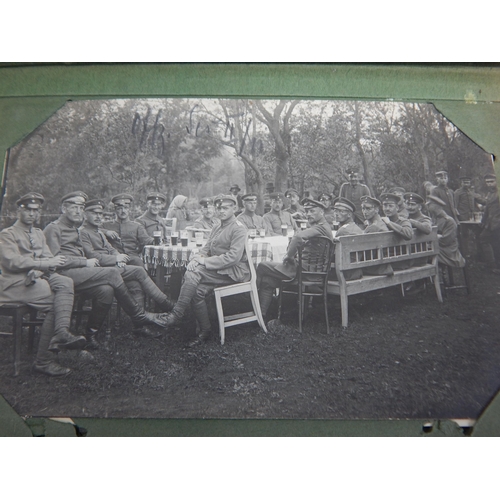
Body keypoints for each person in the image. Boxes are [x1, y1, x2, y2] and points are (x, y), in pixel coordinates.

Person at [44, 191, 166, 348]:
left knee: (106, 290)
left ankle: (90, 335)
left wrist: (105, 251)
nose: (78, 211)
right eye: (74, 207)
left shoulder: (74, 228)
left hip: (81, 271)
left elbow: (96, 237)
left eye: (81, 207)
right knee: (113, 273)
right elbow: (55, 262)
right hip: (63, 275)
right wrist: (84, 261)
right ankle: (139, 316)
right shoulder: (54, 228)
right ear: (63, 209)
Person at [0, 193, 87, 376]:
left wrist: (39, 270)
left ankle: (61, 333)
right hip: (15, 284)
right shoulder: (8, 234)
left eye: (36, 210)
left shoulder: (38, 233)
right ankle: (44, 360)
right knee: (56, 302)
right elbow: (13, 262)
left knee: (65, 281)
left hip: (36, 278)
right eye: (28, 210)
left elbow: (50, 258)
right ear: (19, 211)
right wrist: (41, 266)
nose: (32, 214)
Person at [156, 194, 249, 346]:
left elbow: (233, 258)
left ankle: (176, 314)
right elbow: (206, 248)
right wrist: (196, 258)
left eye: (225, 208)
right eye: (219, 208)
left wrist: (203, 261)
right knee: (197, 289)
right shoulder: (218, 226)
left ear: (235, 208)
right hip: (219, 270)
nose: (221, 211)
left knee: (194, 272)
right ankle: (205, 331)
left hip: (234, 272)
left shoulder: (239, 229)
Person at [79, 199, 175, 337]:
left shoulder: (97, 231)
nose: (98, 216)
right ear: (85, 214)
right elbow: (91, 255)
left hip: (115, 266)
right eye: (94, 213)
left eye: (100, 213)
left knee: (135, 284)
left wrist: (118, 257)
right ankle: (167, 305)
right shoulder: (84, 232)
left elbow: (110, 248)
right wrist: (116, 258)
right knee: (139, 271)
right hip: (100, 270)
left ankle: (139, 326)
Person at [256, 198, 333, 320]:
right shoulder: (323, 226)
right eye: (307, 211)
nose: (308, 214)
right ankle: (262, 315)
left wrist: (289, 256)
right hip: (309, 271)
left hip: (303, 272)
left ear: (322, 212)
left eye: (312, 211)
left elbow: (298, 237)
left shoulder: (320, 228)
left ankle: (252, 304)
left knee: (261, 266)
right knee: (267, 280)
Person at [102, 193, 153, 267]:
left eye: (126, 208)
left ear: (130, 209)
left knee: (140, 265)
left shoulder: (137, 226)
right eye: (119, 208)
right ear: (115, 210)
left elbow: (147, 240)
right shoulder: (106, 225)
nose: (123, 211)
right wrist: (106, 232)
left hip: (132, 258)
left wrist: (157, 240)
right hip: (114, 258)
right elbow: (94, 230)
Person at [426, 195, 465, 268]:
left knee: (426, 253)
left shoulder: (449, 221)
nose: (428, 208)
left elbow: (445, 241)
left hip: (448, 251)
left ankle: (434, 276)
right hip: (439, 247)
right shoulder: (435, 219)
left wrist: (433, 237)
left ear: (436, 207)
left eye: (429, 205)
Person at [479, 173, 500, 273]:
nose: (489, 184)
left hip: (498, 223)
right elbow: (487, 209)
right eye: (487, 182)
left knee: (496, 244)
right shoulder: (490, 193)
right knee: (484, 239)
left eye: (492, 182)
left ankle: (495, 266)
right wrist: (483, 221)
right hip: (490, 224)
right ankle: (492, 264)